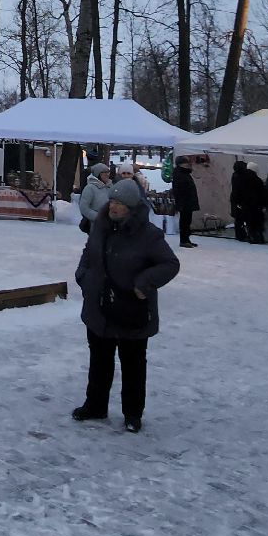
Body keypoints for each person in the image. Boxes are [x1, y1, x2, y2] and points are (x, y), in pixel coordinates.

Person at [72, 180, 180, 434]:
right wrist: (84, 277)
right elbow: (89, 253)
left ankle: (132, 414)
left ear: (132, 207)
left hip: (132, 309)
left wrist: (144, 283)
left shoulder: (149, 235)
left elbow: (169, 264)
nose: (114, 206)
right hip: (99, 307)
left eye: (120, 203)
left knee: (133, 364)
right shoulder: (100, 226)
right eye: (112, 201)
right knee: (99, 360)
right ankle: (95, 405)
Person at [230, 160, 268, 243]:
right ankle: (258, 237)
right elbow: (262, 192)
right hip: (255, 204)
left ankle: (247, 236)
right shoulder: (255, 178)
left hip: (243, 203)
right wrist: (264, 203)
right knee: (256, 221)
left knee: (244, 221)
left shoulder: (236, 177)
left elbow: (236, 191)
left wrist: (237, 202)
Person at [78, 162, 112, 235]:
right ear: (98, 174)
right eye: (104, 172)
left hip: (110, 224)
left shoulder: (111, 186)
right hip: (95, 226)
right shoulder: (90, 188)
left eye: (108, 172)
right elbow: (84, 208)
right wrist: (98, 217)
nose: (107, 174)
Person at [176, 166, 200, 248]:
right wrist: (181, 203)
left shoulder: (185, 174)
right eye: (186, 163)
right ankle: (183, 240)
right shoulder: (180, 175)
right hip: (185, 202)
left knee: (187, 221)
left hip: (188, 201)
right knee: (184, 221)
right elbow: (180, 190)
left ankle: (187, 239)